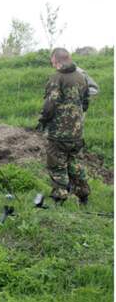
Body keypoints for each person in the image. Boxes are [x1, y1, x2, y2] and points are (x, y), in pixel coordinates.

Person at [37, 48, 90, 205]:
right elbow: (86, 102)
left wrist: (43, 120)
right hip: (77, 132)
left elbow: (50, 105)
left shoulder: (56, 78)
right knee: (75, 164)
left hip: (58, 132)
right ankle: (83, 195)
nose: (52, 64)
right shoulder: (81, 77)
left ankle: (60, 198)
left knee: (56, 165)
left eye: (52, 61)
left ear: (56, 60)